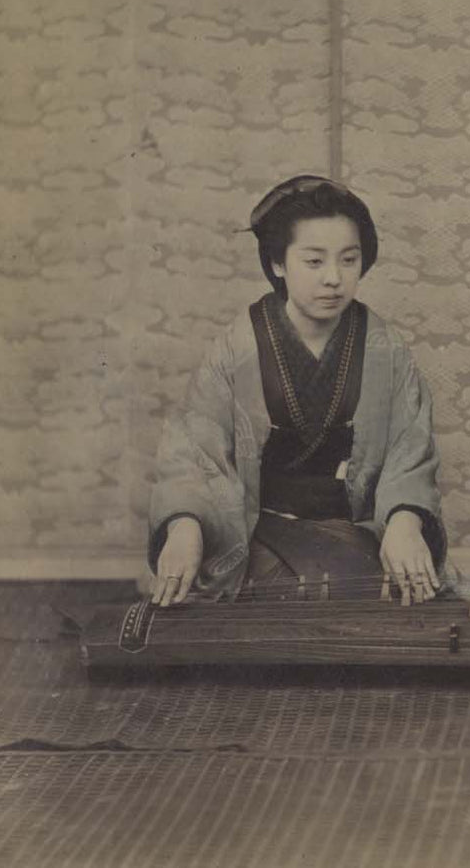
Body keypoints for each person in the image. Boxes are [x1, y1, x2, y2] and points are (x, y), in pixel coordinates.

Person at [148, 176, 446, 606]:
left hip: (350, 533)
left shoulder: (385, 349)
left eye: (348, 260)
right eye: (314, 261)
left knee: (372, 580)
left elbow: (409, 451)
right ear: (278, 264)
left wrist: (404, 522)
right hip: (256, 533)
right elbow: (195, 450)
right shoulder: (237, 348)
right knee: (239, 579)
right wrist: (185, 528)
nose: (333, 278)